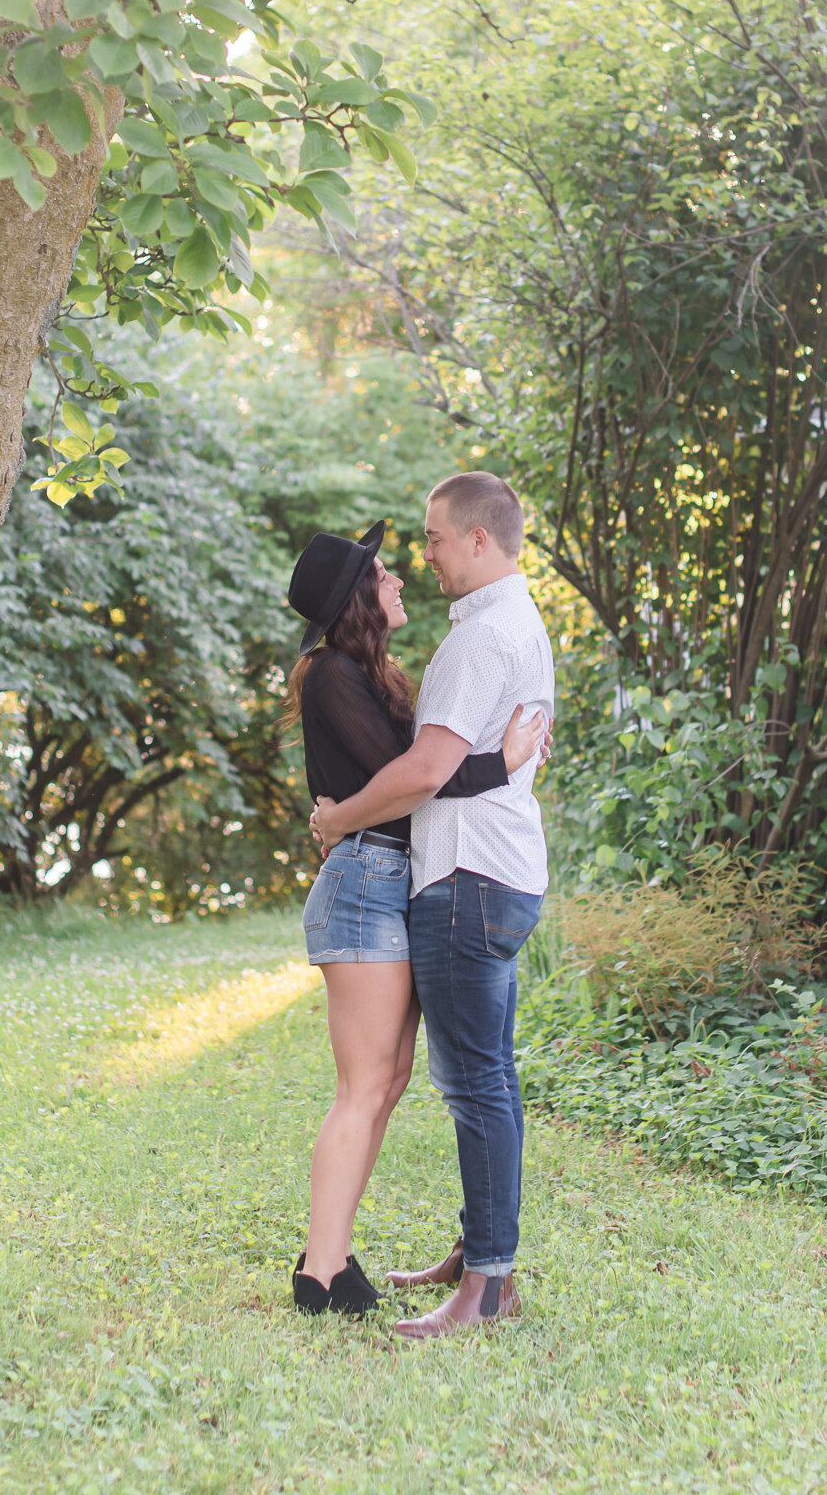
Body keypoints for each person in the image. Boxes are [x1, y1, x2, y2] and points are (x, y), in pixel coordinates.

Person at [311, 471, 554, 1341]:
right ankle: (481, 1254)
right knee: (487, 1079)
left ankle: (485, 1287)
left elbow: (423, 772)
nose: (425, 557)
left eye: (436, 539)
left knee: (474, 1085)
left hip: (466, 880)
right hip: (500, 872)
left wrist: (336, 816)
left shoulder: (480, 642)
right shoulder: (513, 626)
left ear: (479, 540)